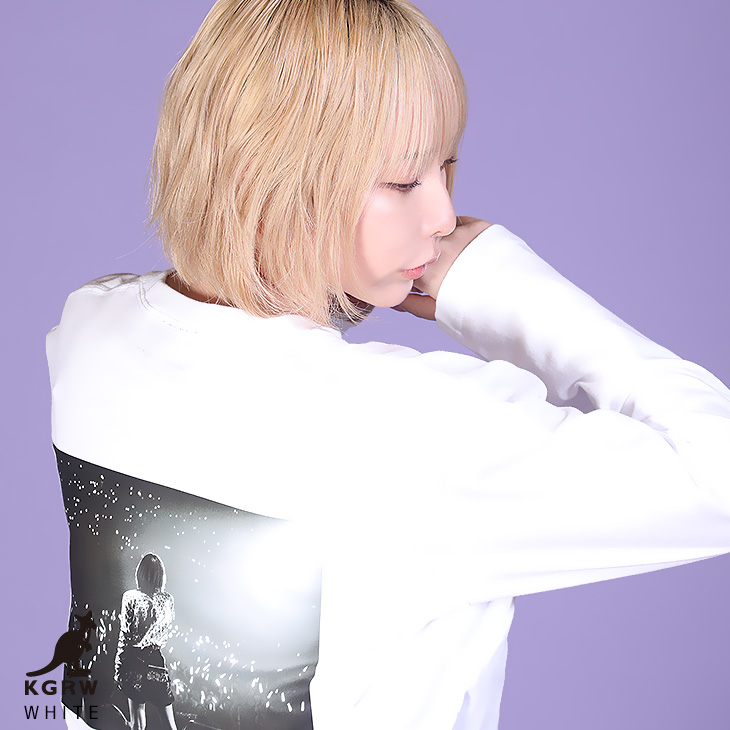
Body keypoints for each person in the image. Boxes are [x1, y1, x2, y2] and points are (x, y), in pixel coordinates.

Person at [47, 0, 730, 729]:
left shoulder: (90, 329)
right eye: (404, 182)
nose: (443, 216)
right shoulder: (409, 428)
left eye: (448, 167)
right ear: (277, 178)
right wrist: (504, 290)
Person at [114, 554, 177, 730]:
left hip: (133, 660)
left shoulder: (130, 597)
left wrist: (119, 665)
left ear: (139, 573)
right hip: (155, 660)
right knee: (169, 724)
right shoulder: (167, 600)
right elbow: (165, 634)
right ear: (161, 575)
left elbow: (125, 633)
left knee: (137, 724)